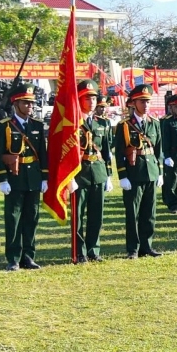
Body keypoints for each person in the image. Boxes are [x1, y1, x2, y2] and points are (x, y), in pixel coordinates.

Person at [0, 81, 48, 270]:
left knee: (31, 218)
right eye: (25, 103)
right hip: (14, 177)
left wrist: (44, 177)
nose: (29, 106)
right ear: (15, 104)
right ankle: (14, 258)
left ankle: (28, 256)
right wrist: (2, 179)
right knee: (14, 218)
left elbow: (42, 153)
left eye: (31, 103)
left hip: (33, 177)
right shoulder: (5, 126)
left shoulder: (37, 125)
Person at [114, 84, 164, 259]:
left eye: (148, 101)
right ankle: (133, 249)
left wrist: (160, 172)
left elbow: (159, 150)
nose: (146, 105)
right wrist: (123, 175)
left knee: (149, 213)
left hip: (150, 171)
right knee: (132, 213)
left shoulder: (155, 123)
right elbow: (119, 152)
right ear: (134, 103)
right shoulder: (125, 125)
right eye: (142, 101)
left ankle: (147, 246)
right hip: (134, 173)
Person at [74, 79, 114, 262]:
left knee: (96, 215)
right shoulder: (72, 122)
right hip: (79, 174)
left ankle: (93, 250)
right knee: (78, 216)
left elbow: (106, 152)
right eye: (87, 98)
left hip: (98, 172)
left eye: (93, 98)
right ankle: (79, 252)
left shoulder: (102, 123)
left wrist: (108, 176)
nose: (91, 102)